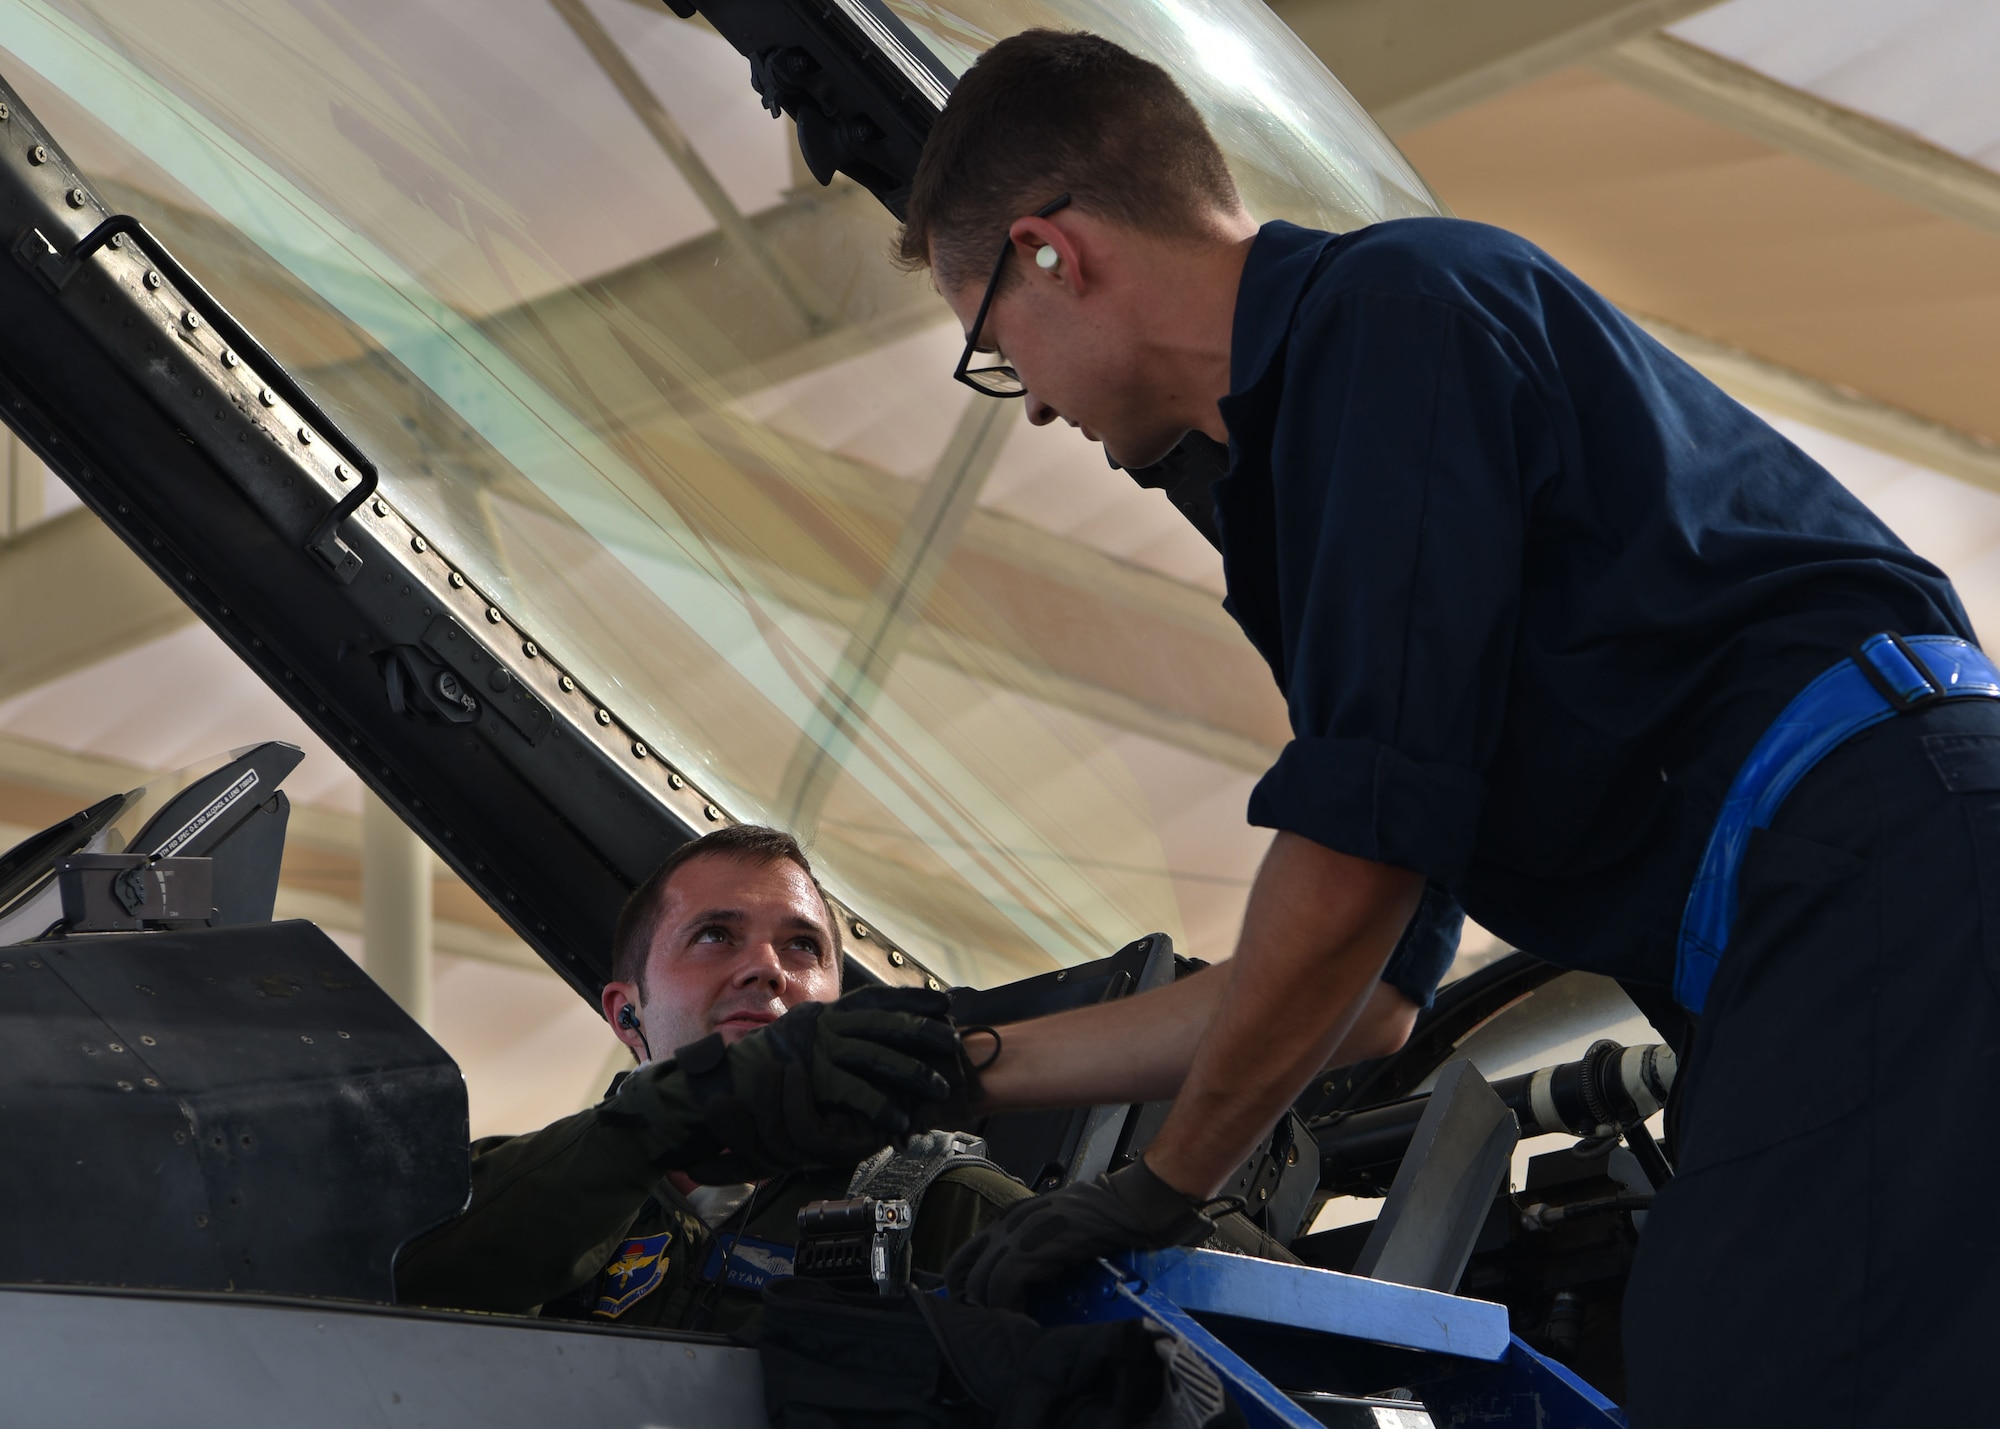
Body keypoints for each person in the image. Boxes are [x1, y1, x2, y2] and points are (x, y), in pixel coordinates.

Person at [899, 29, 2000, 1426]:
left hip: (1883, 864)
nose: (1036, 404)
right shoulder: (1299, 486)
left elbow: (1351, 867)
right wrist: (964, 1065)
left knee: (1760, 1369)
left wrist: (1165, 1182)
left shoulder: (1394, 317)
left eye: (996, 348)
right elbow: (1368, 993)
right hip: (1856, 899)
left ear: (1053, 252)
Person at [395, 825, 1023, 1333]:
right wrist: (652, 1125)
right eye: (716, 935)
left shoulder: (954, 1212)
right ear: (625, 1011)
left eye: (803, 946)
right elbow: (393, 1294)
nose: (767, 969)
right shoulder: (504, 1189)